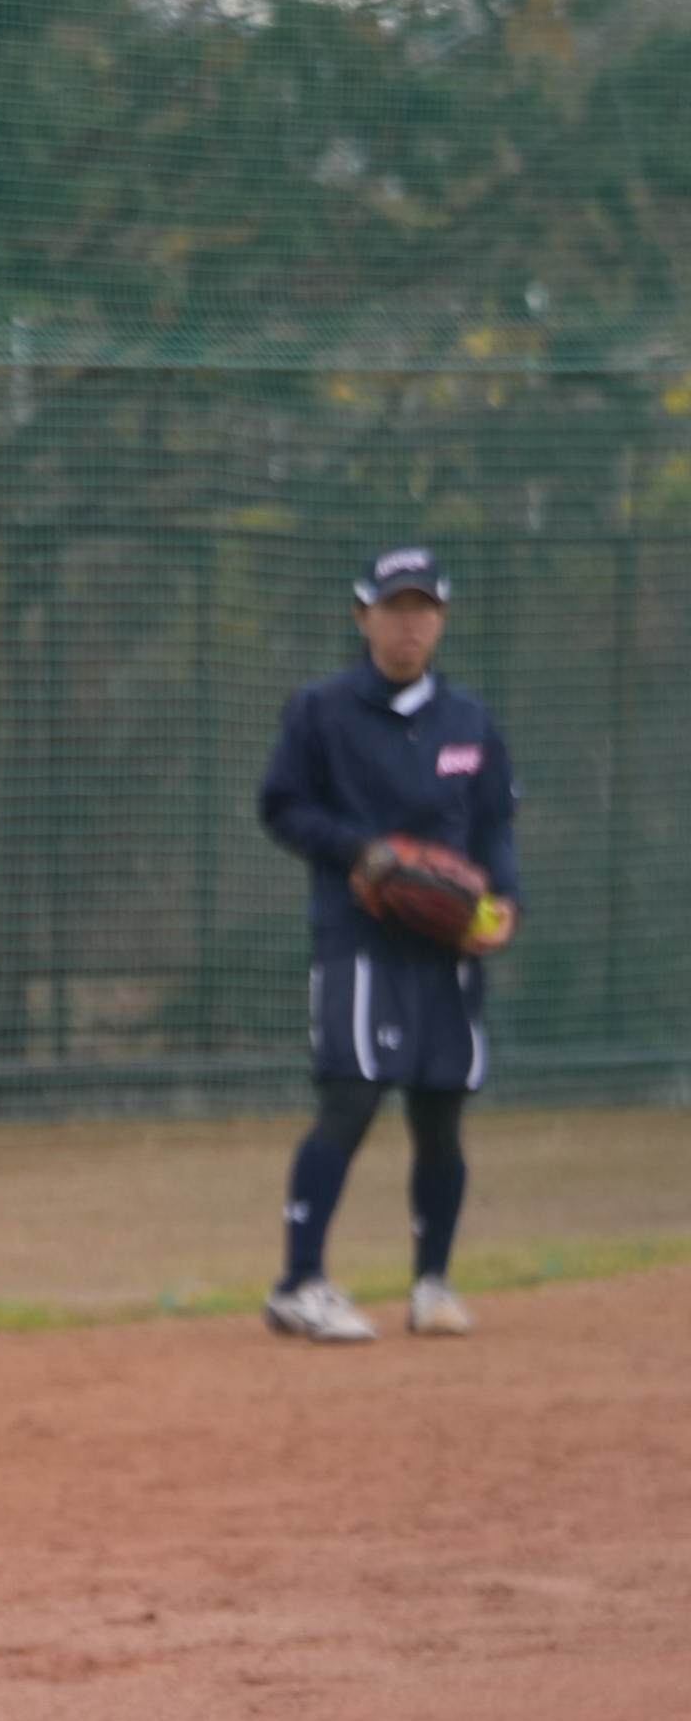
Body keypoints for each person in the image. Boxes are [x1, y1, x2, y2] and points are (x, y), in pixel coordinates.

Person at [259, 545, 519, 1345]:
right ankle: (300, 1285)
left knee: (440, 1115)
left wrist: (504, 902)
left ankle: (432, 1285)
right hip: (360, 940)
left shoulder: (470, 721)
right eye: (394, 607)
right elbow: (281, 806)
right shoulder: (322, 710)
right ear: (362, 615)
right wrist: (359, 852)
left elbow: (494, 828)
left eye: (423, 608)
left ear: (441, 618)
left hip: (445, 949)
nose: (410, 623)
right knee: (352, 1097)